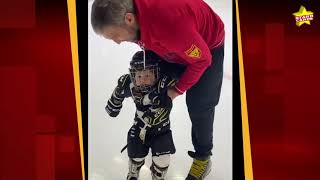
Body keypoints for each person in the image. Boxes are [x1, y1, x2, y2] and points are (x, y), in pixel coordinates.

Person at [92, 0, 225, 179]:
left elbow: (202, 60)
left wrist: (176, 90)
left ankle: (203, 158)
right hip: (177, 38)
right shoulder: (135, 18)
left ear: (129, 19)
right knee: (150, 82)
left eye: (115, 35)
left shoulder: (170, 26)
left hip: (206, 46)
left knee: (199, 104)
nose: (117, 42)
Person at [105, 50, 177, 180]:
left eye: (148, 75)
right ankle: (133, 172)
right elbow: (112, 110)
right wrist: (117, 97)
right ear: (133, 75)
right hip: (139, 127)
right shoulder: (130, 84)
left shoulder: (164, 85)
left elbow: (182, 79)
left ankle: (158, 175)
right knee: (135, 154)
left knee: (162, 160)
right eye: (139, 76)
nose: (143, 80)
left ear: (157, 73)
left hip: (161, 129)